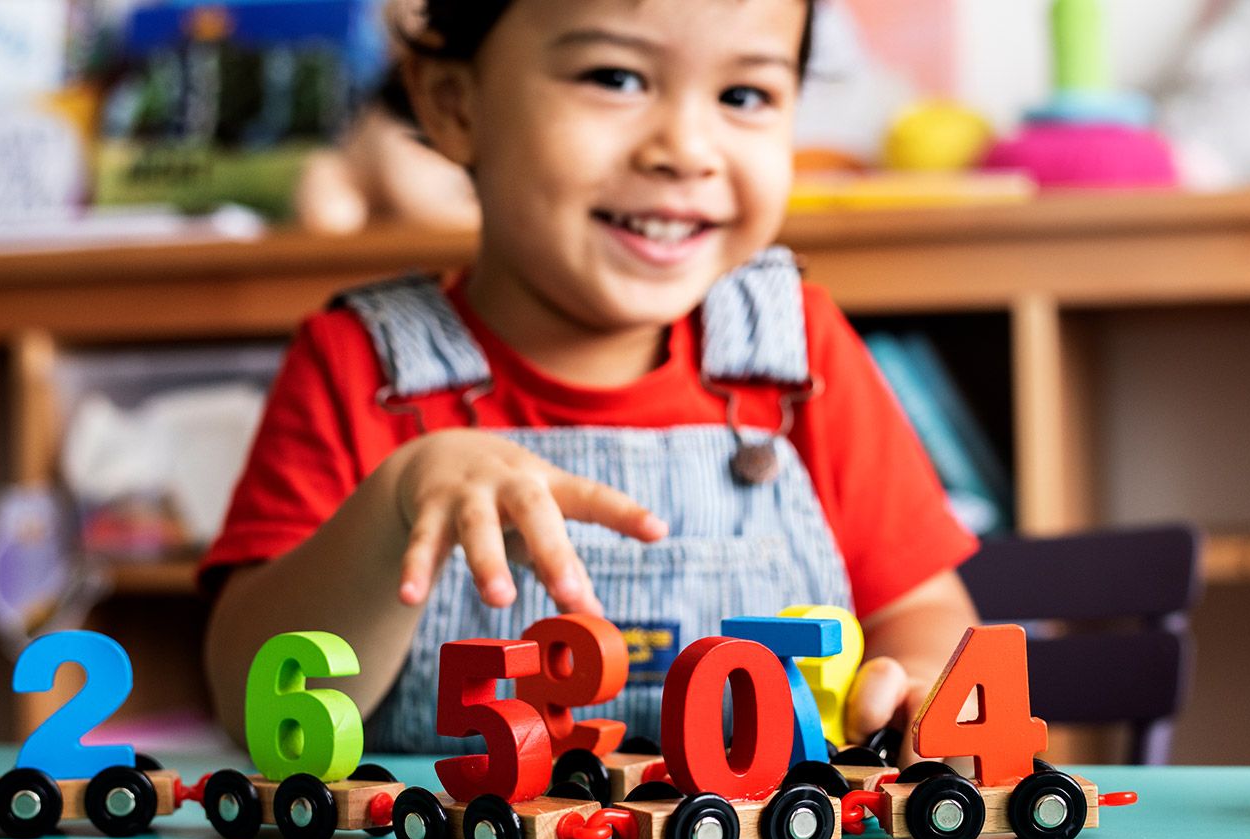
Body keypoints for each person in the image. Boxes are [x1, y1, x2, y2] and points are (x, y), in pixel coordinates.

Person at [201, 0, 980, 757]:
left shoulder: (797, 357)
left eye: (744, 95)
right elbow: (248, 699)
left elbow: (923, 611)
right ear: (454, 105)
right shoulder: (359, 365)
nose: (685, 149)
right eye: (615, 77)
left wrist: (913, 684)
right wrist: (396, 507)